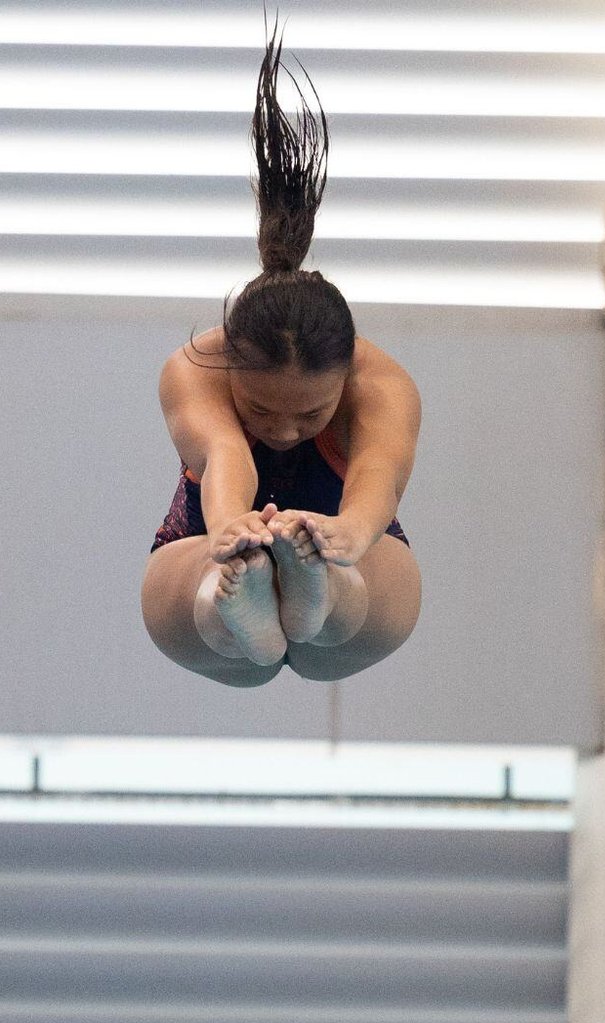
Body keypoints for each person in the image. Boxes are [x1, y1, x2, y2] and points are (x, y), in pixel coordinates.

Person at [141, 31, 422, 686]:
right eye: (261, 410)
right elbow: (225, 454)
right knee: (231, 627)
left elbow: (378, 472)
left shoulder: (383, 384)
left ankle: (325, 588)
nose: (286, 431)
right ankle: (230, 603)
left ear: (345, 375)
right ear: (230, 367)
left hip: (351, 548)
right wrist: (233, 534)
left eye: (311, 415)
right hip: (209, 535)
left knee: (346, 607)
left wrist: (346, 535)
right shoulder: (195, 366)